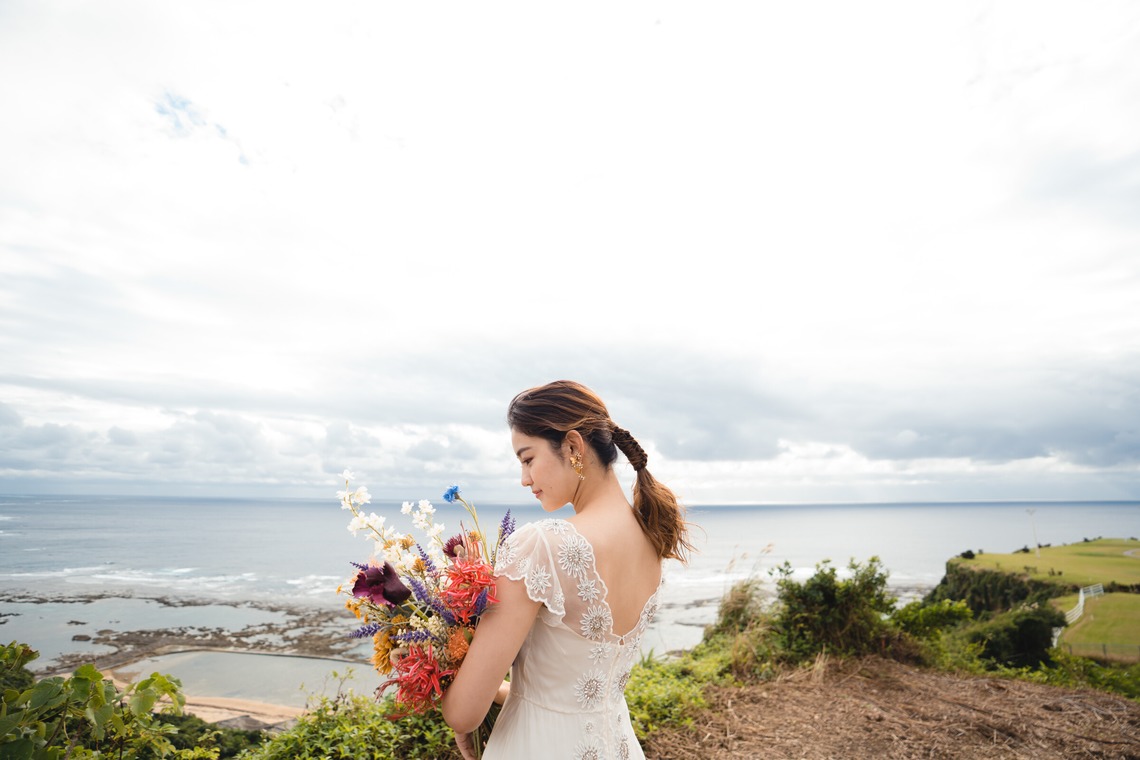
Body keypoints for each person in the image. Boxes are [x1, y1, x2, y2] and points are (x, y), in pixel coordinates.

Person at [442, 380, 693, 759]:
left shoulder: (540, 546)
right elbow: (570, 694)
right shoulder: (651, 539)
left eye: (528, 459)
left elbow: (463, 714)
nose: (524, 478)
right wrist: (494, 688)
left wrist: (439, 675)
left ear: (573, 447)